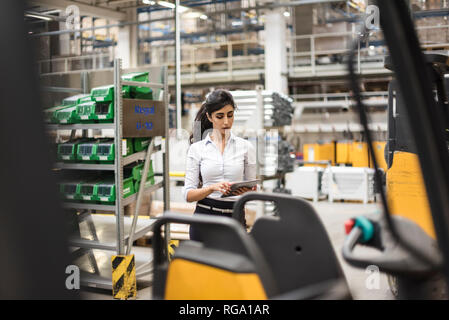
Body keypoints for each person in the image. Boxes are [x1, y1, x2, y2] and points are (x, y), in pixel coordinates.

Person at [183, 89, 257, 241]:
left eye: (230, 115)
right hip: (205, 218)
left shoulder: (246, 147)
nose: (226, 122)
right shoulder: (197, 149)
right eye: (220, 116)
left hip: (235, 218)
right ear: (209, 117)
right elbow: (188, 195)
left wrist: (245, 191)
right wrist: (211, 188)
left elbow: (253, 191)